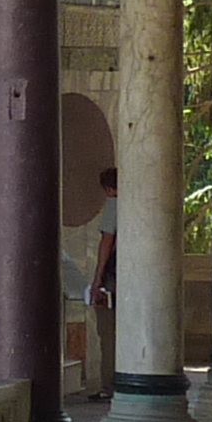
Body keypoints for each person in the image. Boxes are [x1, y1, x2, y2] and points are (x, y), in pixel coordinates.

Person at [84, 166, 121, 393]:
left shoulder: (114, 205)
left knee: (108, 332)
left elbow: (107, 242)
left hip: (114, 276)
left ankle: (109, 384)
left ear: (108, 189)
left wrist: (97, 280)